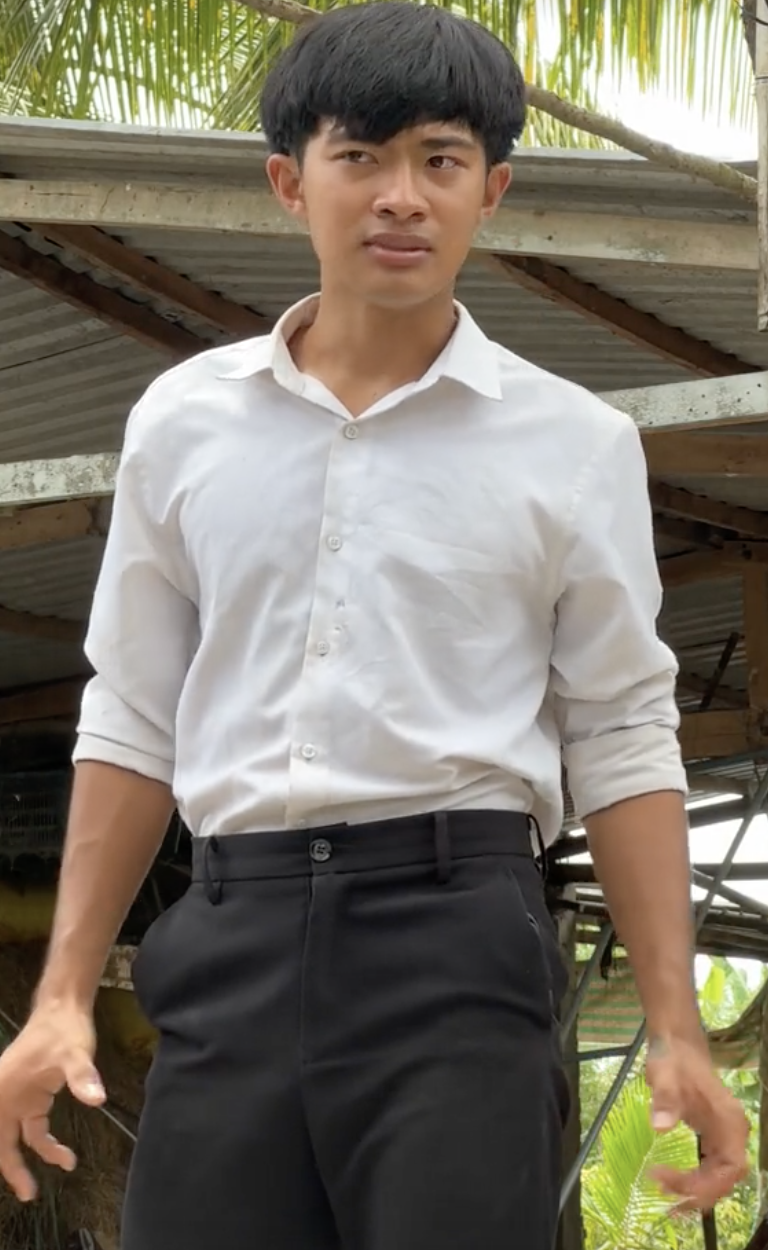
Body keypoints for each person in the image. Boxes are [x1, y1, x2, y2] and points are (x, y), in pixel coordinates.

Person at [0, 4, 748, 1248]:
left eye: (441, 159)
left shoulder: (576, 444)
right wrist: (61, 993)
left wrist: (676, 1023)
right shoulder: (182, 421)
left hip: (457, 945)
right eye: (361, 155)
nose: (402, 195)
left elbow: (623, 731)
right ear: (290, 182)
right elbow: (132, 710)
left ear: (491, 190)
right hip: (230, 934)